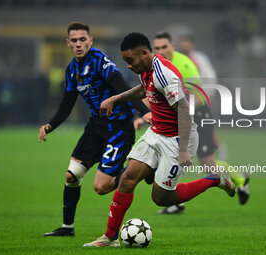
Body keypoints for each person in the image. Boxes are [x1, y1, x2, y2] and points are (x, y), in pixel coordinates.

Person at [82, 32, 235, 247]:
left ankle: (215, 179)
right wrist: (115, 99)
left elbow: (184, 111)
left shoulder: (165, 74)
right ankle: (109, 238)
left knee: (162, 198)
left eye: (130, 60)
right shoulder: (146, 68)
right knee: (127, 179)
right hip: (156, 133)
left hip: (178, 139)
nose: (128, 66)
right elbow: (145, 89)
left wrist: (183, 150)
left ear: (144, 53)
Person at [38, 22, 151, 237]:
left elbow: (121, 86)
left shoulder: (99, 60)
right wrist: (49, 125)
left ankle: (142, 171)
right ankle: (67, 228)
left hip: (118, 127)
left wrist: (142, 112)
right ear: (68, 43)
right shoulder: (72, 69)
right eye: (74, 40)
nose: (79, 44)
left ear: (90, 40)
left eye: (83, 39)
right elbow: (67, 104)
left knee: (101, 187)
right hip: (96, 127)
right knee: (71, 176)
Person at [149, 32, 249, 214]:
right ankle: (175, 203)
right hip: (177, 116)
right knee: (169, 157)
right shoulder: (157, 65)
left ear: (172, 47)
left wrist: (184, 115)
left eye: (165, 47)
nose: (161, 51)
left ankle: (240, 179)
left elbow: (197, 95)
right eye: (157, 48)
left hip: (198, 114)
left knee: (207, 164)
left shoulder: (186, 65)